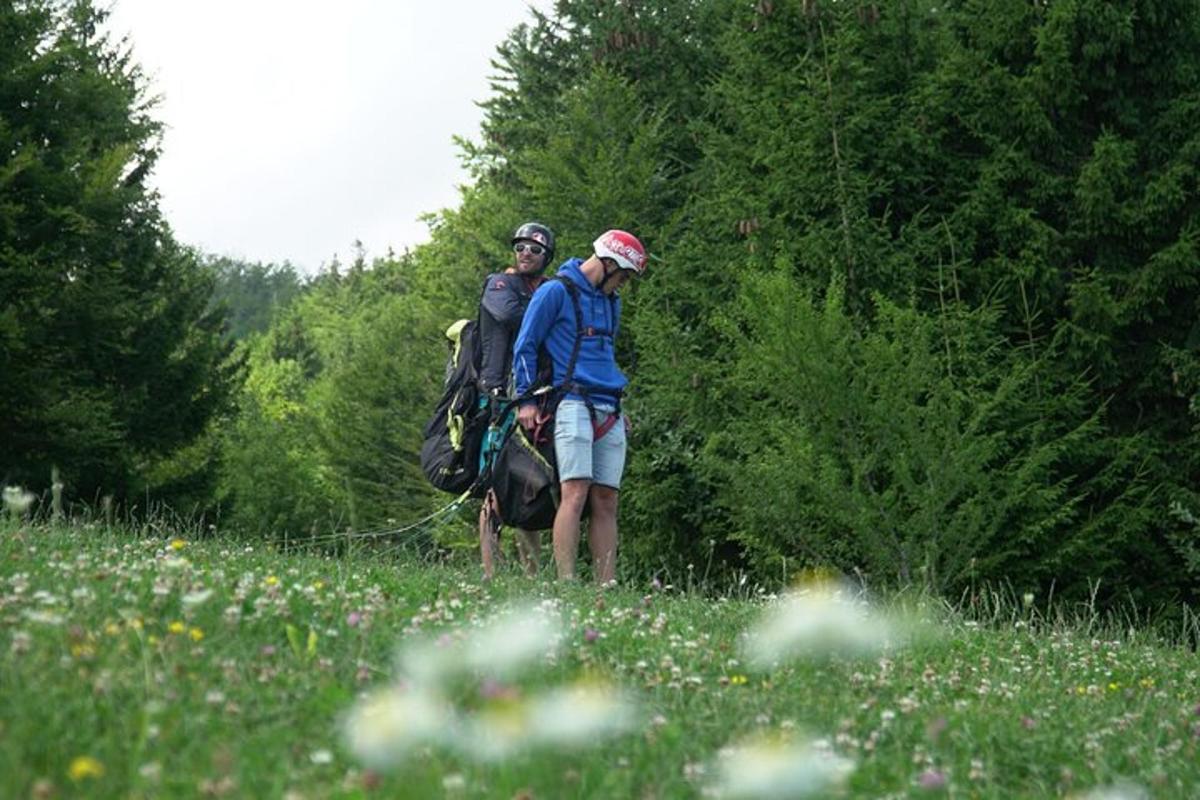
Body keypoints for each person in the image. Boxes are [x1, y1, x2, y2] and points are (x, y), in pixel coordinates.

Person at [511, 229, 647, 583]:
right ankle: (567, 584)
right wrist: (525, 400)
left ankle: (607, 586)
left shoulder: (611, 301)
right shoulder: (555, 292)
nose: (623, 285)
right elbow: (524, 346)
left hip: (610, 407)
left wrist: (620, 406)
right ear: (607, 263)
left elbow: (604, 355)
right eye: (624, 276)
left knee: (607, 500)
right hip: (571, 402)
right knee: (574, 492)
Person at [477, 221, 555, 579]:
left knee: (529, 484)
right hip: (496, 398)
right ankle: (491, 573)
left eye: (535, 249)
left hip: (531, 397)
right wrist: (549, 316)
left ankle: (531, 574)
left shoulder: (543, 291)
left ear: (546, 257)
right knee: (493, 486)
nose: (526, 253)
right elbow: (510, 316)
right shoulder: (499, 284)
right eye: (521, 247)